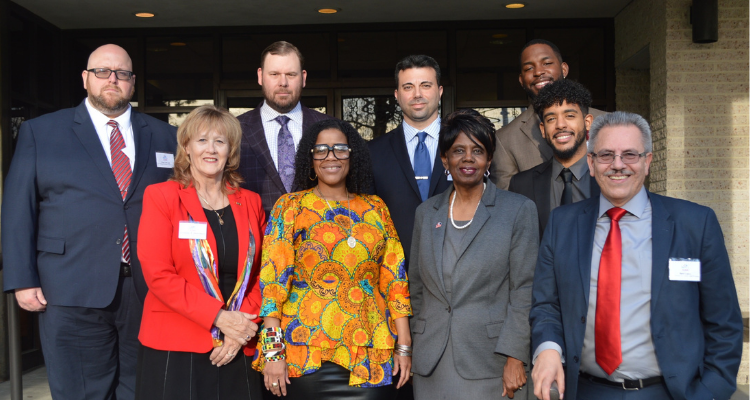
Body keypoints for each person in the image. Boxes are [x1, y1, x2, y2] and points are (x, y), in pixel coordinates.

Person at [1, 44, 177, 399]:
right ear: (85, 78)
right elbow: (18, 210)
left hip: (148, 290)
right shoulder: (42, 132)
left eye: (122, 73)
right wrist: (21, 280)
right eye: (102, 72)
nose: (112, 80)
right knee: (81, 392)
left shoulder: (166, 135)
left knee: (144, 389)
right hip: (69, 286)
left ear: (133, 83)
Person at [530, 112, 743, 400]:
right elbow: (546, 305)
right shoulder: (562, 224)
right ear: (591, 164)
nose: (618, 165)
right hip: (587, 391)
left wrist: (709, 392)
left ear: (647, 162)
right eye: (606, 155)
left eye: (630, 154)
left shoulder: (695, 223)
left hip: (670, 393)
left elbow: (724, 323)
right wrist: (548, 349)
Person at [254, 119, 412, 400]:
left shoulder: (376, 207)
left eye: (340, 148)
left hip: (371, 352)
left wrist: (404, 345)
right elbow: (272, 288)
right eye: (321, 150)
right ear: (310, 158)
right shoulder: (290, 207)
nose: (331, 156)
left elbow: (395, 280)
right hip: (303, 353)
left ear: (352, 155)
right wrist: (272, 351)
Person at [135, 105, 265, 399]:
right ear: (186, 147)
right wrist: (220, 318)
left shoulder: (252, 202)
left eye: (220, 141)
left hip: (238, 342)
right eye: (202, 140)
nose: (211, 149)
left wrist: (243, 326)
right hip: (177, 343)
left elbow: (265, 273)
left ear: (230, 150)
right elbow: (158, 274)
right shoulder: (161, 197)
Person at [409, 109, 539, 400]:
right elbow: (416, 286)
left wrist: (515, 356)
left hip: (492, 361)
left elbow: (524, 289)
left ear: (489, 159)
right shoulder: (426, 214)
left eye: (477, 151)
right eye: (458, 151)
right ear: (445, 159)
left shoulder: (517, 210)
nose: (468, 159)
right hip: (432, 362)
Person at [369, 55, 451, 269]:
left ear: (440, 92)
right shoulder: (372, 153)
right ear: (397, 95)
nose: (417, 94)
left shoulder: (464, 148)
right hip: (394, 275)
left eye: (425, 85)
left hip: (458, 274)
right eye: (408, 87)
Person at [491, 39, 606, 190]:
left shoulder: (607, 122)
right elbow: (508, 203)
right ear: (521, 80)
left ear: (564, 69)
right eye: (529, 68)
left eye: (546, 63)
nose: (538, 72)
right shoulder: (505, 140)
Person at [237, 41, 333, 215]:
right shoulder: (234, 130)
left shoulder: (329, 128)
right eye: (274, 74)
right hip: (257, 237)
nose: (283, 82)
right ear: (260, 76)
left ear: (303, 78)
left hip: (318, 236)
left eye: (291, 74)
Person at [509, 79, 600, 238]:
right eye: (551, 118)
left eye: (569, 115)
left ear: (587, 122)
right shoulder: (521, 185)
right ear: (543, 130)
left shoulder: (609, 177)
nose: (560, 125)